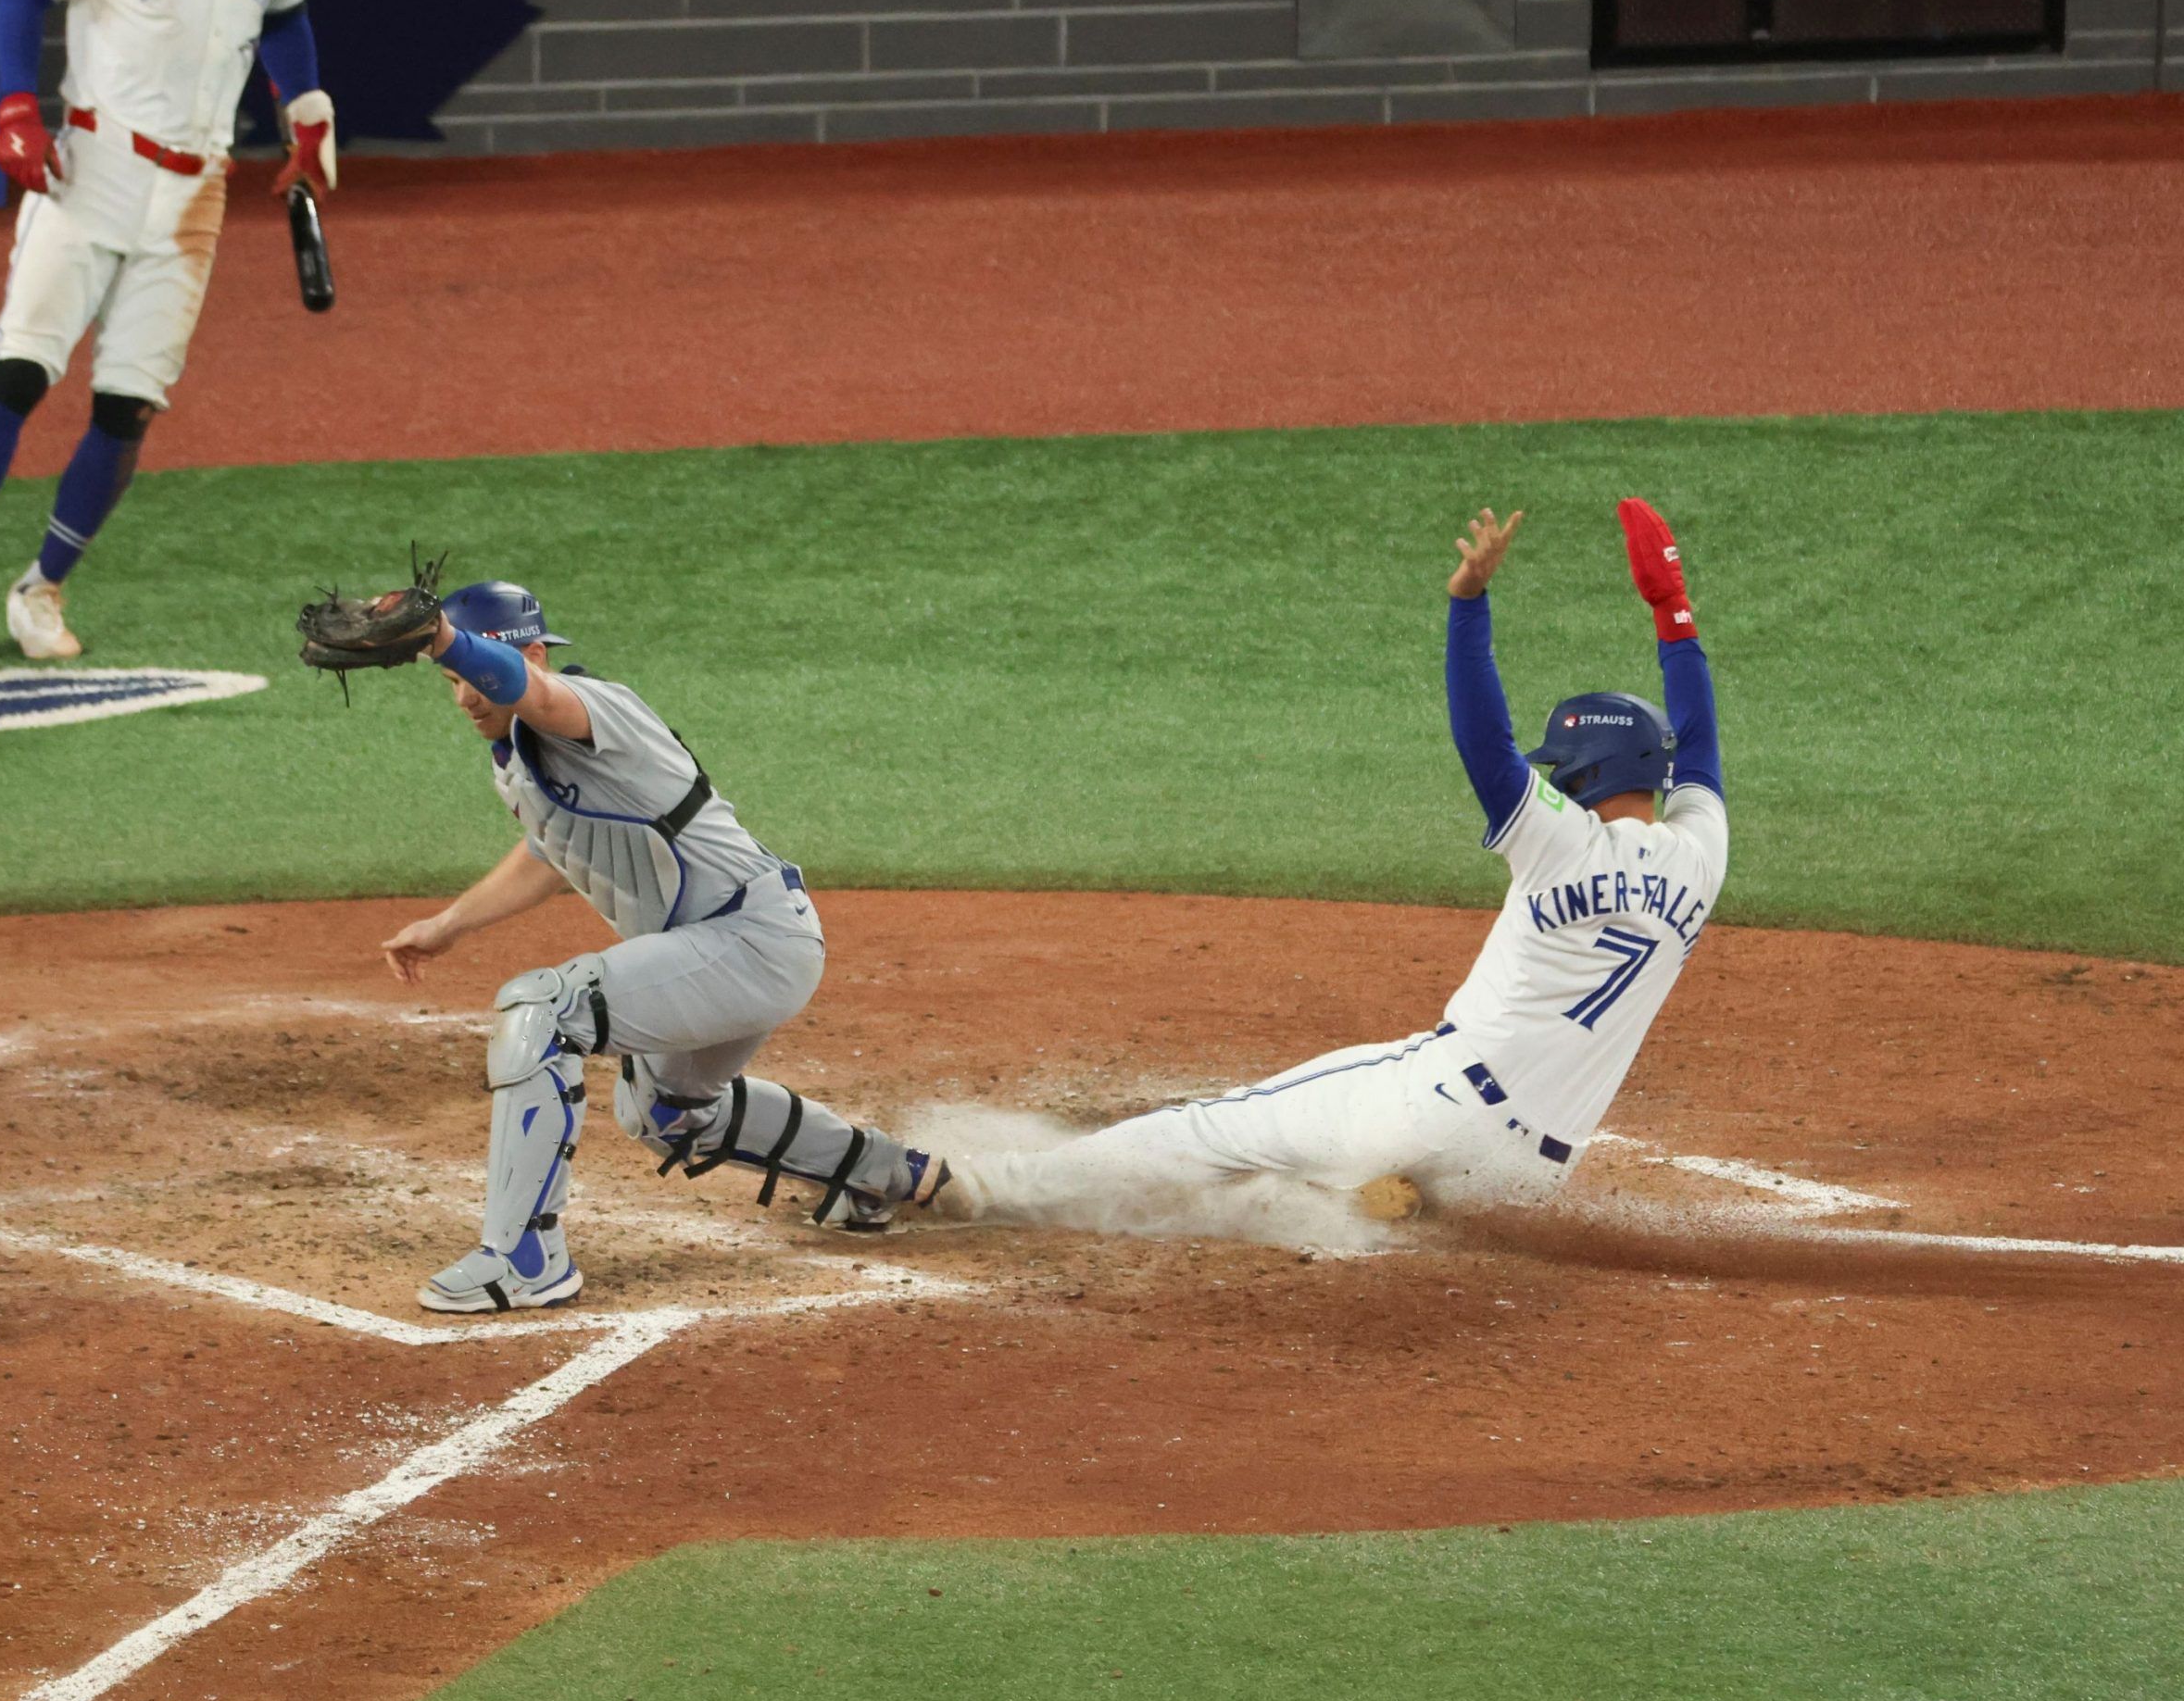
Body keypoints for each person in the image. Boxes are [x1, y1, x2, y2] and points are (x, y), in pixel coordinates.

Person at [953, 497, 1726, 1219]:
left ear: (1587, 770)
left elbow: (1484, 741)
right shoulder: (1701, 857)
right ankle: (1360, 1194)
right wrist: (1675, 611)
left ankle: (985, 1188)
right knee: (1330, 1161)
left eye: (1563, 767)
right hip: (1529, 1178)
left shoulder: (1560, 839)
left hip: (1439, 1107)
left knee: (1213, 1132)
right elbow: (1696, 747)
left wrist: (1468, 603)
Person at [379, 580, 951, 1313]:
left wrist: (443, 640)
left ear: (528, 655)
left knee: (546, 1007)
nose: (463, 696)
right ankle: (877, 1176)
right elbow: (549, 851)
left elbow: (535, 693)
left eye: (473, 675)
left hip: (752, 937)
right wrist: (448, 926)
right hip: (720, 950)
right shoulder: (521, 755)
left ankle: (524, 1260)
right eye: (451, 681)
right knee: (665, 1113)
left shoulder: (591, 708)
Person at [0, 0, 337, 659]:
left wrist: (307, 111)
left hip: (195, 194)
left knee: (130, 406)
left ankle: (41, 590)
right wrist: (16, 109)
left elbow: (284, 16)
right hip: (91, 168)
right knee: (21, 368)